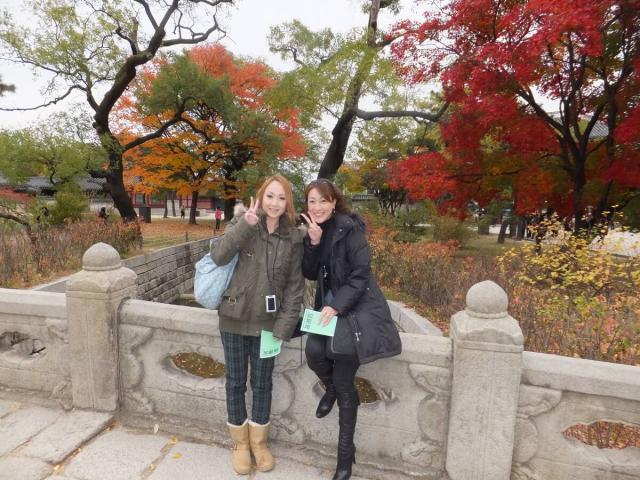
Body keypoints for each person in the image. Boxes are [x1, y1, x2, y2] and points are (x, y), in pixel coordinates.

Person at [300, 179, 401, 480]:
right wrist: (313, 243)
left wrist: (336, 306)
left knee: (346, 381)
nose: (317, 207)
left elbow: (360, 276)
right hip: (328, 310)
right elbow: (309, 272)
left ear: (334, 202)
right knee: (314, 352)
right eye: (312, 201)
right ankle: (330, 387)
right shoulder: (316, 229)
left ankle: (345, 457)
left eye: (323, 201)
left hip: (355, 311)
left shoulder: (350, 229)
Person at [211, 175, 304, 475]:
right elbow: (219, 256)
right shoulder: (244, 223)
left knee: (263, 384)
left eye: (281, 198)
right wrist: (245, 225)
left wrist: (283, 327)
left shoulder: (293, 238)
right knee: (235, 382)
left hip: (268, 324)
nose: (275, 203)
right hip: (234, 318)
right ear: (261, 197)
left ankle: (259, 443)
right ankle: (240, 444)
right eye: (270, 196)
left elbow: (295, 288)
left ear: (288, 203)